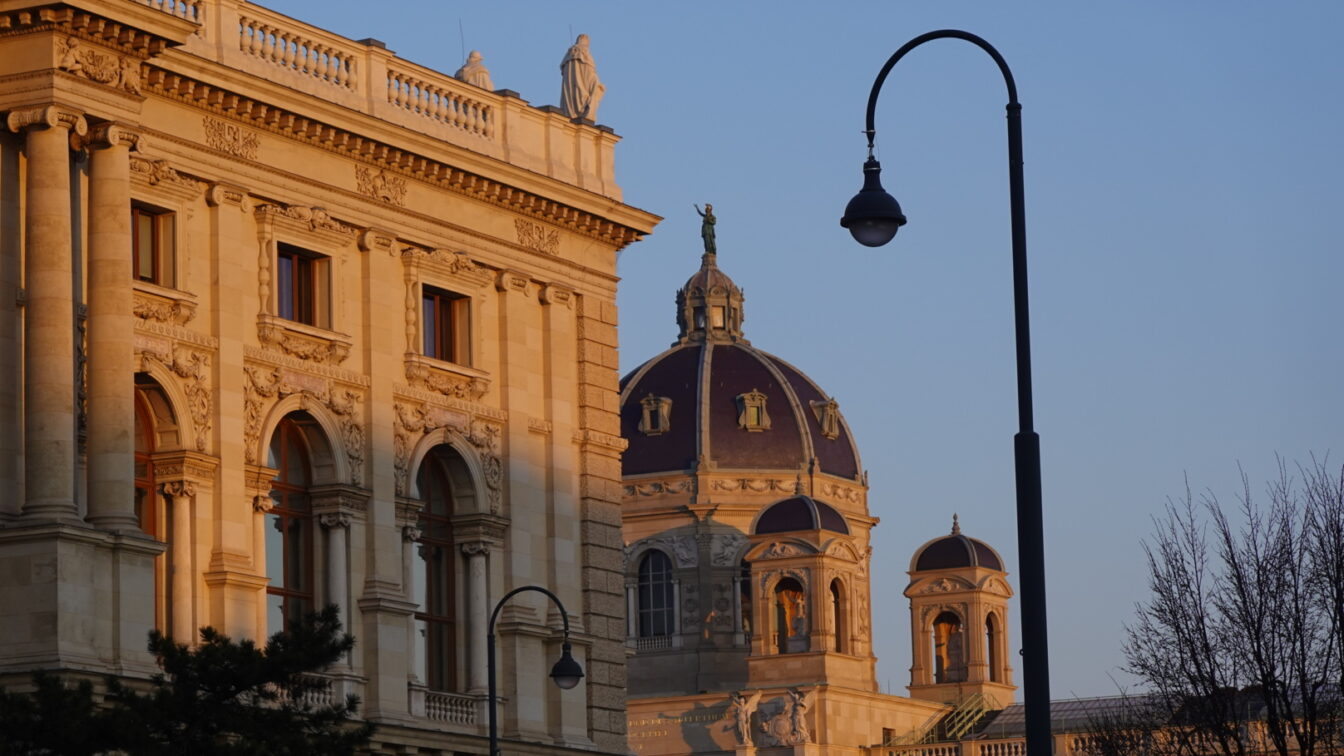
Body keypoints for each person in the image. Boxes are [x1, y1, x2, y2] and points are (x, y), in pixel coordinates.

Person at [559, 34, 605, 120]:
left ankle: (572, 112)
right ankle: (581, 112)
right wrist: (597, 83)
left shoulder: (568, 55)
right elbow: (590, 74)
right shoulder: (585, 53)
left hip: (569, 97)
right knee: (585, 98)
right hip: (582, 89)